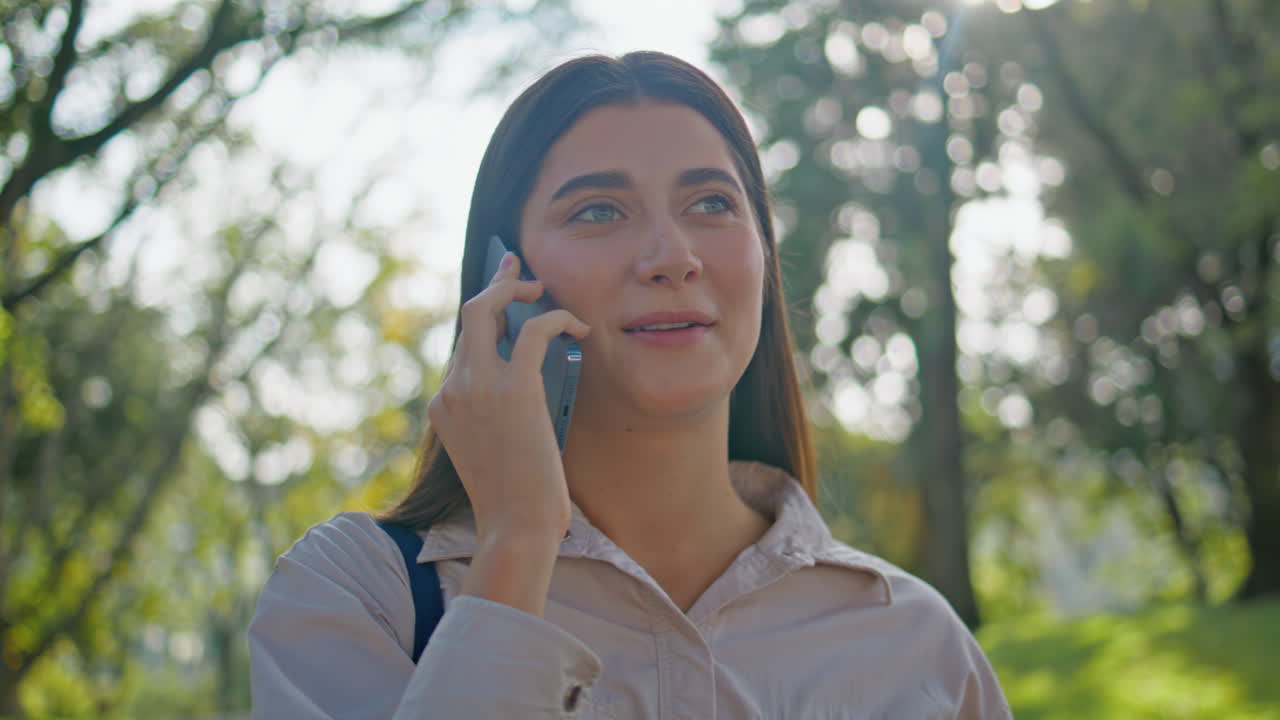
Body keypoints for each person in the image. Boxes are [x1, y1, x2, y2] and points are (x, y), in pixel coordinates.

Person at [248, 51, 1012, 719]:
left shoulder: (917, 644)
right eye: (600, 210)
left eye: (711, 203)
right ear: (503, 278)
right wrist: (517, 541)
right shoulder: (357, 596)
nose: (671, 256)